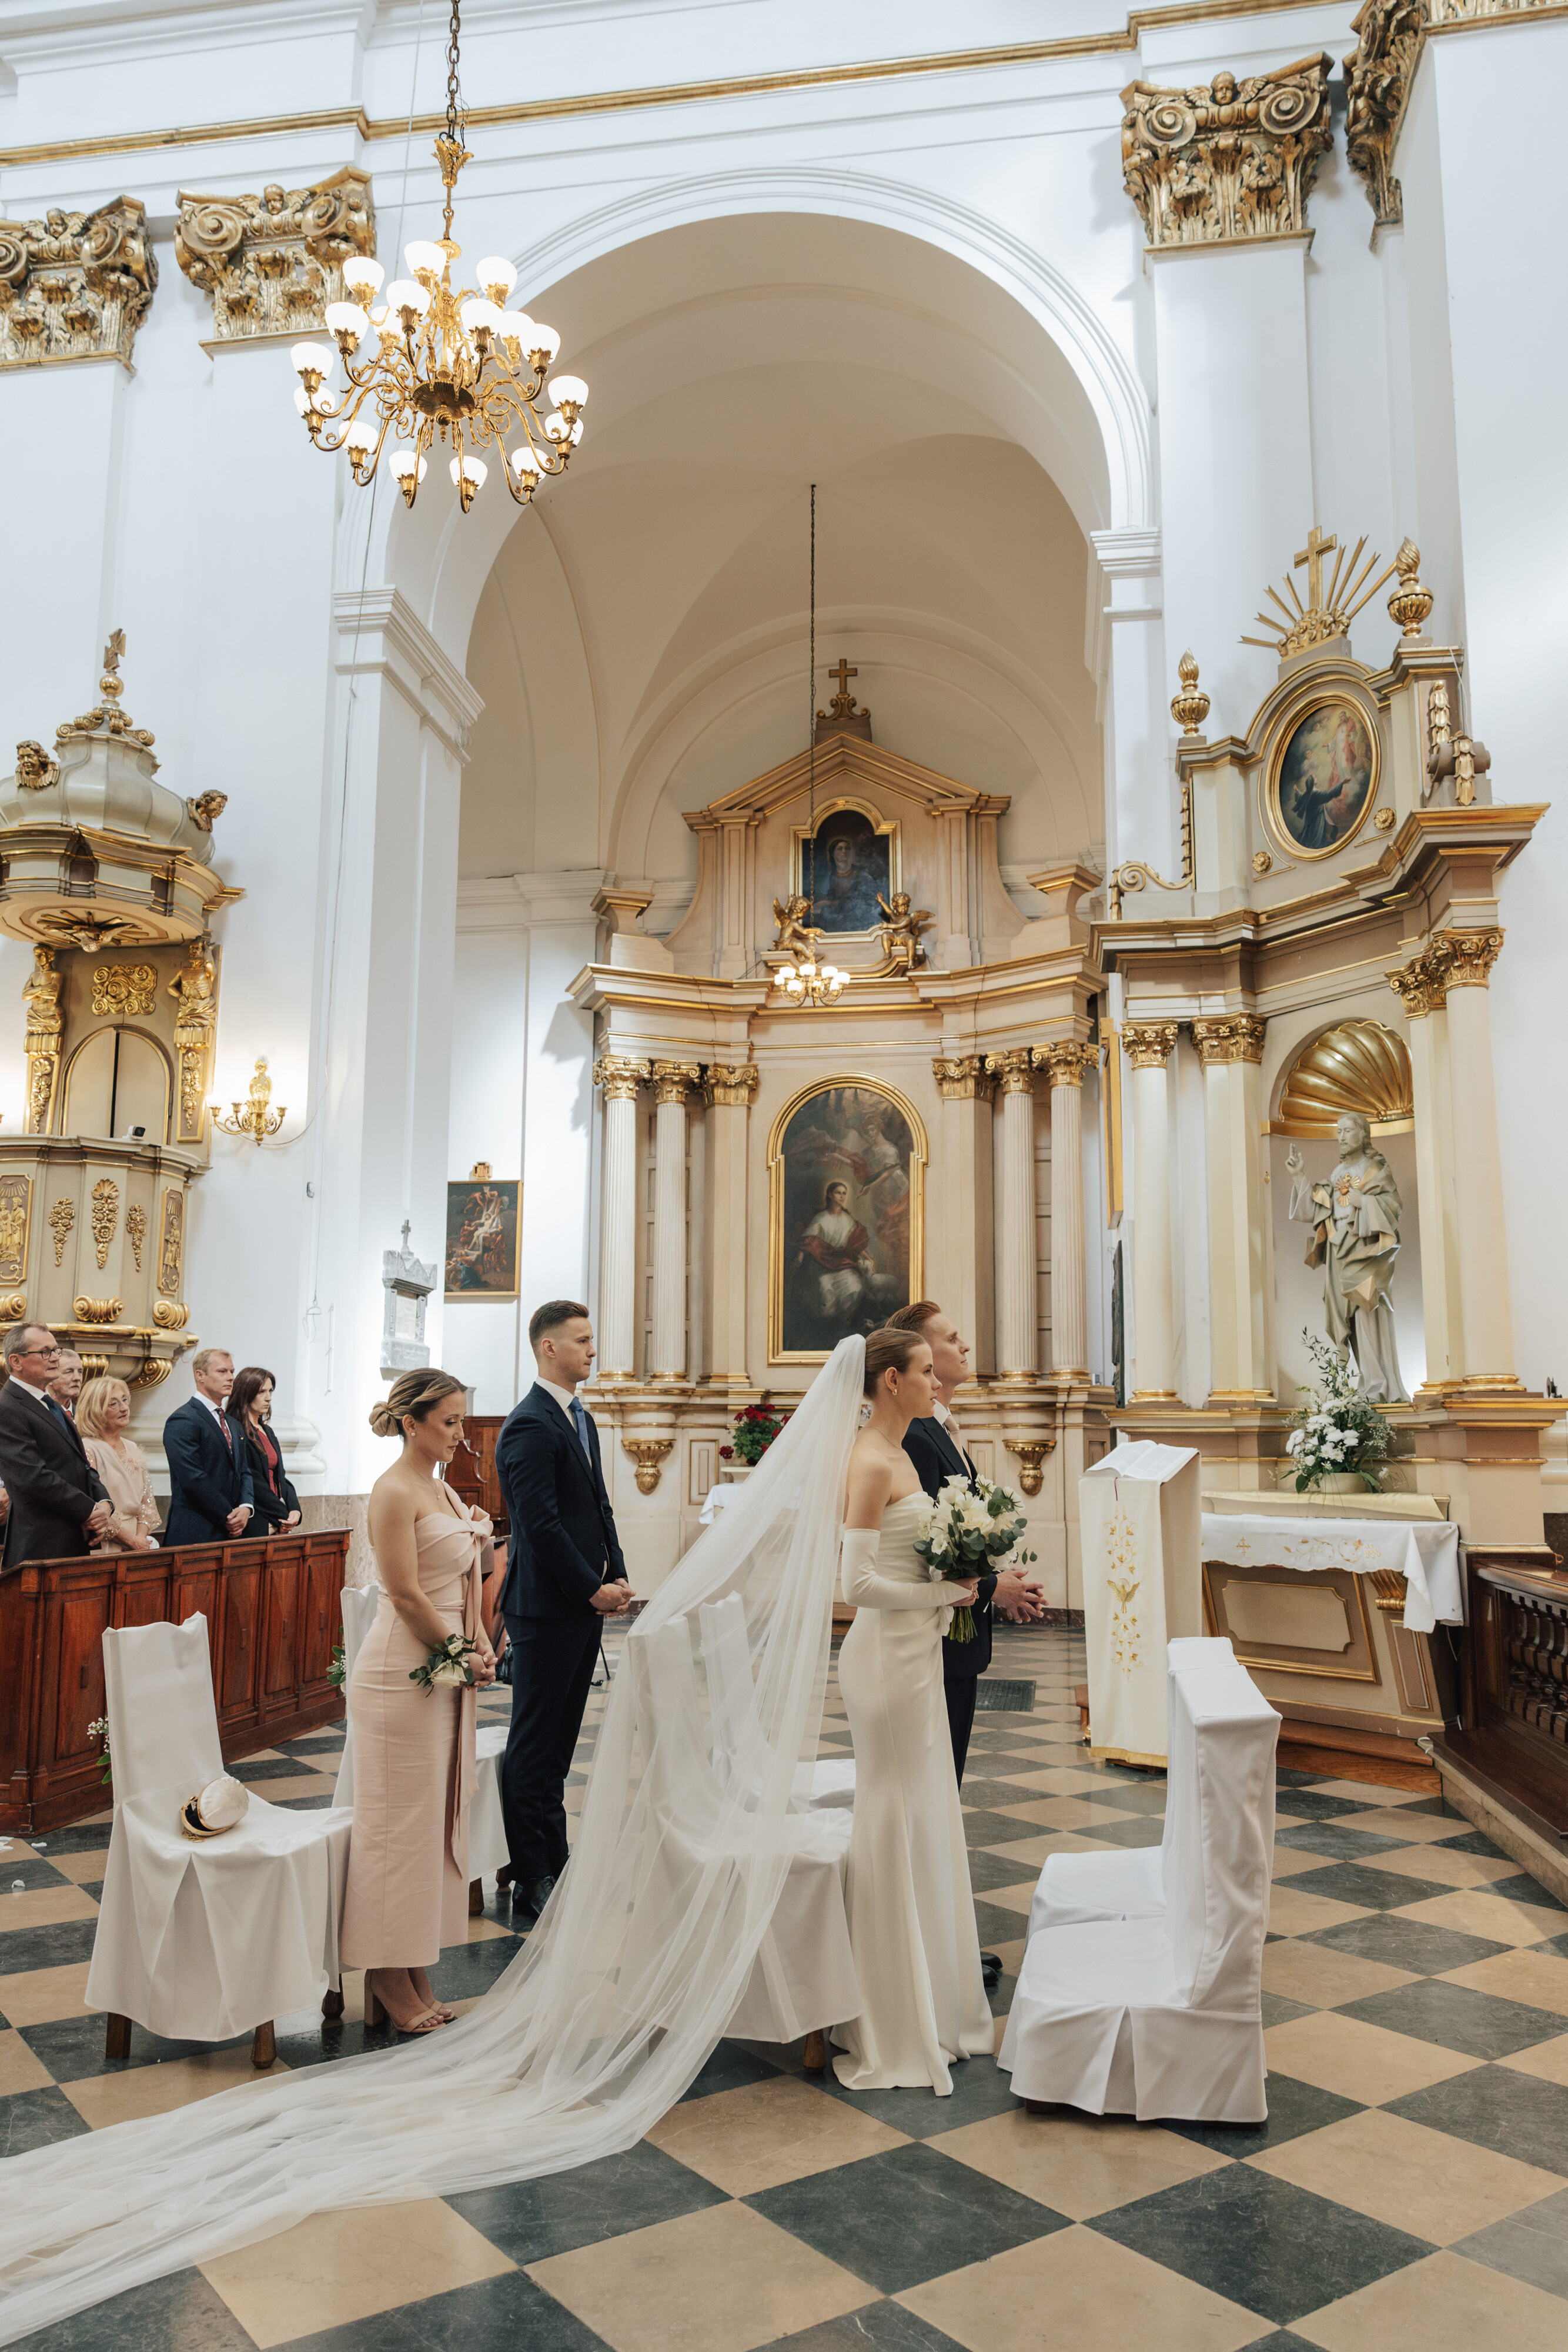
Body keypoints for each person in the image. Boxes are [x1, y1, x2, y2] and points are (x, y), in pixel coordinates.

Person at [832, 1325, 995, 2093]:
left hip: (918, 1655)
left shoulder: (901, 1452)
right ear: (890, 1380)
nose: (937, 1381)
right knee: (894, 1815)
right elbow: (855, 1585)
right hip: (883, 1662)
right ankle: (891, 2018)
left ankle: (932, 1998)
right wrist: (947, 1594)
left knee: (926, 1815)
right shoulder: (868, 1459)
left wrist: (952, 1578)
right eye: (926, 1370)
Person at [887, 1298, 1047, 1993]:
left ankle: (937, 1940)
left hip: (954, 1640)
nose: (963, 1346)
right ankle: (922, 1949)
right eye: (949, 1340)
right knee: (928, 1794)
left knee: (941, 1793)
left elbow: (955, 1534)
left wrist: (997, 1577)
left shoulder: (942, 1428)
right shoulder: (917, 1437)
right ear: (915, 1360)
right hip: (930, 1645)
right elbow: (920, 1551)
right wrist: (989, 1589)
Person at [340, 1368, 497, 2036]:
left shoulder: (441, 1488)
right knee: (394, 1831)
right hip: (400, 1673)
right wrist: (459, 1652)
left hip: (444, 1669)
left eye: (462, 1420)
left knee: (428, 1827)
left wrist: (480, 1641)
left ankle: (411, 1964)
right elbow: (404, 1592)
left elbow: (465, 1579)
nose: (461, 1434)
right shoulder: (393, 1490)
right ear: (412, 1422)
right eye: (450, 1422)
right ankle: (383, 1973)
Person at [494, 1300, 634, 1927]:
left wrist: (616, 1572)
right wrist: (588, 1589)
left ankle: (556, 1856)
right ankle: (533, 1873)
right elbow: (540, 1526)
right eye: (582, 1340)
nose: (592, 1351)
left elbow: (599, 1506)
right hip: (545, 1608)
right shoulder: (529, 1424)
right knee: (534, 1744)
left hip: (576, 1603)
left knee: (559, 1745)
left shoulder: (581, 1417)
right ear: (549, 1347)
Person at [1286, 1111, 1410, 1403]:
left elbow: (1393, 1208)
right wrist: (1299, 1176)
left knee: (1367, 1312)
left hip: (1366, 1250)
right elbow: (1315, 1210)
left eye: (1347, 1131)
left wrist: (1364, 1202)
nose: (1341, 1137)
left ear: (1363, 1134)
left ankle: (1380, 1385)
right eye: (1338, 1132)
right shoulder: (1337, 1173)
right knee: (1350, 1320)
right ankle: (1368, 1383)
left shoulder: (1375, 1168)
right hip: (1340, 1252)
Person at [0, 1322, 111, 1568]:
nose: (54, 1358)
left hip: (74, 1539)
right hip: (42, 1545)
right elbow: (33, 1477)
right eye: (45, 1352)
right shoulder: (7, 1407)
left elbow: (81, 1463)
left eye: (55, 1350)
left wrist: (104, 1503)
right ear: (16, 1361)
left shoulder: (50, 1404)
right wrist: (89, 1510)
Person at [162, 1348, 253, 1545]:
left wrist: (246, 1507)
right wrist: (229, 1516)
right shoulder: (183, 1419)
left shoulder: (233, 1424)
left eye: (232, 1371)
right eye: (222, 1372)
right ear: (200, 1375)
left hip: (233, 1531)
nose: (231, 1377)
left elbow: (244, 1471)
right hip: (196, 1531)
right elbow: (193, 1480)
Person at [77, 1377, 160, 1551]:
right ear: (96, 1411)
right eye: (113, 1404)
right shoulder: (88, 1449)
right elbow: (92, 1508)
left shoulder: (132, 1446)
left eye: (124, 1400)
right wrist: (130, 1540)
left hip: (139, 1542)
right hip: (107, 1543)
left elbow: (147, 1503)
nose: (124, 1408)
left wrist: (140, 1539)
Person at [228, 1365, 301, 1536]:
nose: (268, 1398)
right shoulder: (237, 1431)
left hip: (277, 1519)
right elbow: (253, 1483)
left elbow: (280, 1475)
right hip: (257, 1522)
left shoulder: (267, 1431)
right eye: (261, 1392)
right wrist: (283, 1516)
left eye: (270, 1391)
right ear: (246, 1394)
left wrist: (295, 1509)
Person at [47, 1348, 84, 1418]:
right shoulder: (39, 1414)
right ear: (50, 1378)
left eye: (80, 1372)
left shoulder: (85, 1416)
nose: (77, 1378)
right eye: (69, 1372)